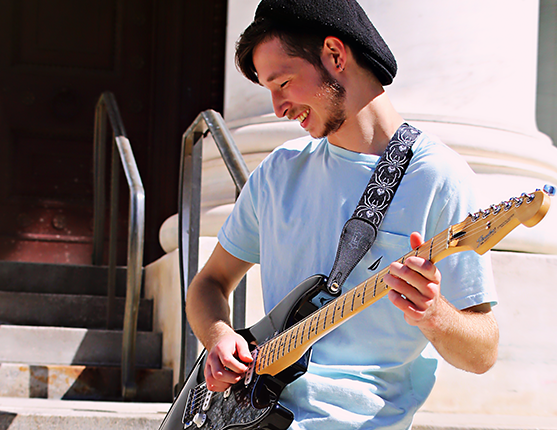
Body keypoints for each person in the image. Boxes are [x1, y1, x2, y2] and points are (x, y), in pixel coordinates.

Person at [185, 0, 499, 428]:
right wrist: (220, 335)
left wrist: (434, 313)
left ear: (335, 55)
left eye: (283, 83)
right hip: (250, 413)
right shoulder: (279, 173)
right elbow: (209, 283)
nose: (278, 107)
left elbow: (483, 353)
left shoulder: (437, 178)